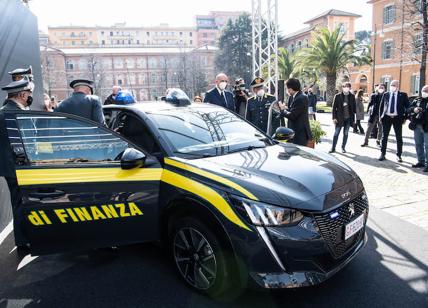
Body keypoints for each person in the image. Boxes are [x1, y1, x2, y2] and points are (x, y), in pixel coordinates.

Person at [378, 80, 410, 162]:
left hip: (397, 118)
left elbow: (408, 107)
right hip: (387, 118)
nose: (392, 86)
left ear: (398, 86)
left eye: (394, 85)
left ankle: (399, 155)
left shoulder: (403, 95)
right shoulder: (386, 94)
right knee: (384, 137)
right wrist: (380, 116)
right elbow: (381, 106)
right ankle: (383, 154)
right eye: (391, 85)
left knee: (399, 137)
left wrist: (405, 117)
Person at [278, 78, 312, 146]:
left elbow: (292, 115)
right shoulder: (292, 97)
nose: (286, 90)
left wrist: (282, 110)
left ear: (290, 89)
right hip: (292, 131)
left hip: (300, 133)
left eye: (286, 88)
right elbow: (292, 110)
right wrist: (285, 109)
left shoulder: (301, 98)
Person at [330, 82, 356, 153]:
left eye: (347, 86)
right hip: (339, 118)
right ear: (342, 87)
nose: (346, 88)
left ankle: (343, 147)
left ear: (350, 88)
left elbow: (353, 109)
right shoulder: (337, 96)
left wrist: (353, 120)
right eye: (344, 86)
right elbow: (334, 108)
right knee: (336, 133)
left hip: (348, 119)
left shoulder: (352, 96)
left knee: (346, 133)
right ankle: (333, 148)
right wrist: (334, 118)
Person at [408, 85, 428, 172]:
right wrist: (414, 109)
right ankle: (421, 161)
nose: (424, 92)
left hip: (426, 126)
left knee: (427, 146)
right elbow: (408, 109)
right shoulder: (417, 100)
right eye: (423, 90)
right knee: (418, 144)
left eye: (426, 91)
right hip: (417, 126)